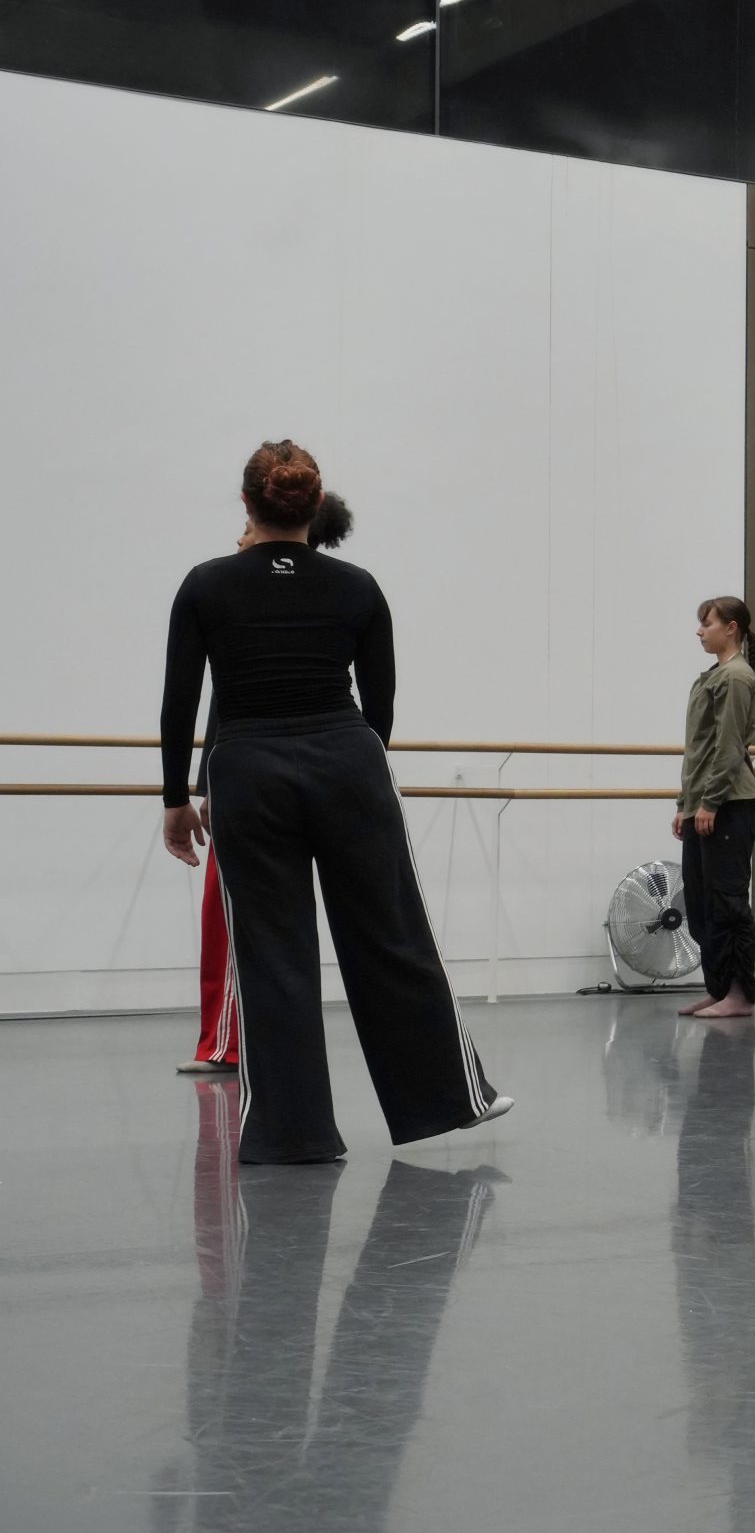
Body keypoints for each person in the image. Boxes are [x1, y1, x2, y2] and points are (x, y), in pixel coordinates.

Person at [159, 442, 508, 1163]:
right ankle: (449, 1097)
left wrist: (176, 798)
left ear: (247, 504)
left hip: (249, 767)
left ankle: (294, 1133)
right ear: (315, 507)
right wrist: (355, 772)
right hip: (347, 760)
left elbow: (180, 703)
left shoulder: (205, 584)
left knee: (272, 953)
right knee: (391, 934)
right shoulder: (357, 586)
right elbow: (380, 707)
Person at [181, 492, 353, 1075]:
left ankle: (230, 1042)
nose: (239, 537)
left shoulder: (252, 596)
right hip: (285, 773)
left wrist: (204, 788)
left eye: (247, 527)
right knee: (258, 921)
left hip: (258, 781)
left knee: (246, 918)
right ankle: (234, 1042)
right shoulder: (255, 593)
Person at [675, 596, 755, 1020]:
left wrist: (709, 802)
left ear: (731, 628)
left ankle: (740, 993)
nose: (699, 631)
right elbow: (697, 750)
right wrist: (685, 805)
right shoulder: (711, 677)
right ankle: (718, 987)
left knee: (728, 901)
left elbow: (728, 748)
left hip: (729, 804)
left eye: (707, 623)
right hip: (704, 804)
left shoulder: (736, 677)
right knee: (700, 903)